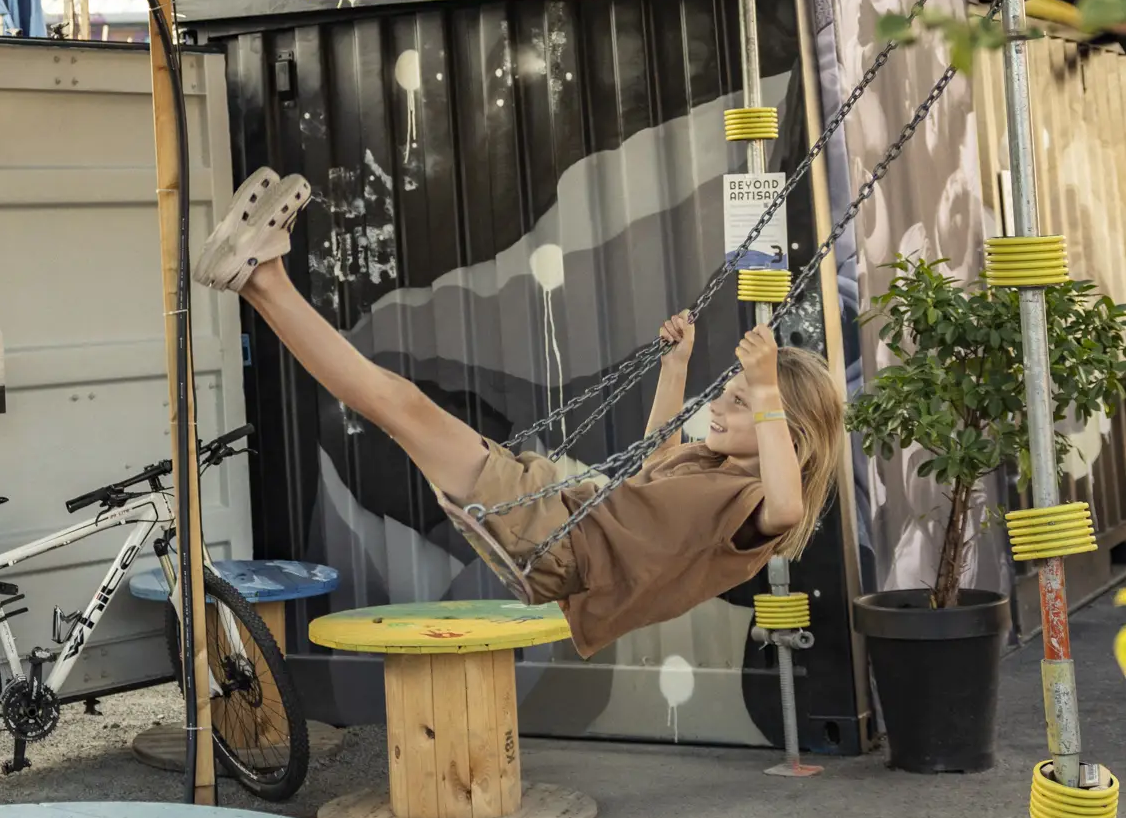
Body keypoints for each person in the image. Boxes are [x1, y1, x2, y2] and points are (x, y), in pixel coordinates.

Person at [194, 167, 845, 654]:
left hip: (557, 536)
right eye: (728, 393)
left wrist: (766, 389)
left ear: (787, 434)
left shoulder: (756, 509)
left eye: (740, 402)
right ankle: (259, 281)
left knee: (400, 405)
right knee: (399, 406)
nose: (720, 406)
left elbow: (788, 507)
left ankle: (263, 277)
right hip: (553, 511)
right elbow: (653, 463)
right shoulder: (712, 468)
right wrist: (676, 367)